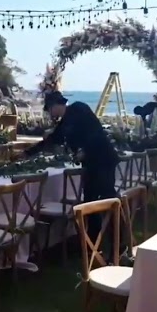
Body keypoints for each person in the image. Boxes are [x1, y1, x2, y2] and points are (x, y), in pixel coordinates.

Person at [24, 91, 120, 257]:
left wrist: (85, 151)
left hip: (103, 161)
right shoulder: (65, 122)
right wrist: (28, 153)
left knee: (108, 202)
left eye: (49, 109)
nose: (50, 113)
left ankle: (119, 245)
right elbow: (52, 140)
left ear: (56, 105)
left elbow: (96, 134)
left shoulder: (79, 109)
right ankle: (92, 244)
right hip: (90, 165)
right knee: (89, 203)